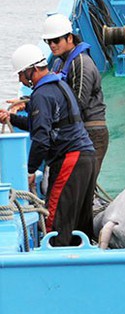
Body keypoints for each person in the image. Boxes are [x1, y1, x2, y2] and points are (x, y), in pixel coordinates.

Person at [0, 44, 97, 246]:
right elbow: (41, 124)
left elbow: (41, 138)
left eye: (21, 74)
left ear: (32, 70)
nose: (20, 80)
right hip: (85, 155)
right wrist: (11, 118)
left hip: (70, 158)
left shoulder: (42, 94)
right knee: (80, 223)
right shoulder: (59, 85)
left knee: (55, 223)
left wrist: (30, 170)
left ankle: (55, 268)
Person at [42, 13, 109, 178]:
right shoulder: (60, 63)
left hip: (92, 131)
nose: (52, 45)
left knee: (83, 184)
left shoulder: (81, 63)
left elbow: (79, 103)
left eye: (56, 40)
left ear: (70, 38)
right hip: (76, 131)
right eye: (48, 41)